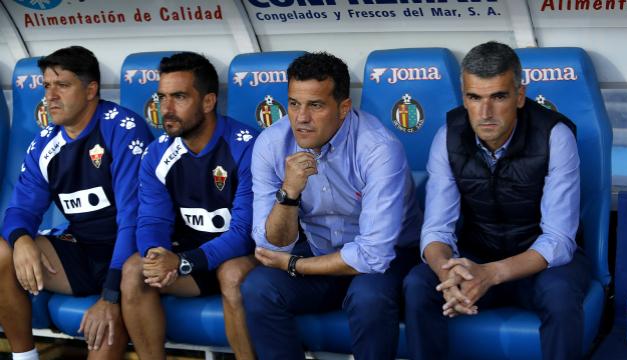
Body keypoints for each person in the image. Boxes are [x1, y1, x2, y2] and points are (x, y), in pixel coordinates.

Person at [403, 41, 592, 360]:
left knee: (560, 295)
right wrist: (446, 272)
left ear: (520, 95)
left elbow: (558, 240)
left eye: (498, 97)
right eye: (474, 98)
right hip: (478, 253)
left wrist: (491, 274)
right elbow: (436, 229)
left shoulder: (555, 135)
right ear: (464, 97)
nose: (485, 112)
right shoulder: (447, 137)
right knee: (419, 284)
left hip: (539, 263)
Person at [242, 51, 422, 360]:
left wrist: (295, 266)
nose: (301, 118)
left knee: (368, 298)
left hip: (388, 260)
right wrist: (289, 194)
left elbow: (374, 255)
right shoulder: (271, 143)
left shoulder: (378, 148)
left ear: (343, 108)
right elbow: (270, 244)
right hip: (317, 250)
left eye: (315, 105)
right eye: (294, 103)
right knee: (258, 287)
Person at [0, 46, 153, 360]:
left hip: (130, 259)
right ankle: (25, 357)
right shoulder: (46, 142)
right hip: (82, 251)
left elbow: (133, 221)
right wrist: (22, 239)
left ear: (91, 90)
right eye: (46, 86)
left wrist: (110, 296)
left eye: (62, 85)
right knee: (2, 251)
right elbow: (20, 210)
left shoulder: (122, 129)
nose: (50, 96)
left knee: (105, 337)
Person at [120, 52, 257, 360]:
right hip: (192, 257)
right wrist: (156, 255)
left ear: (208, 102)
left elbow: (245, 233)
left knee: (232, 275)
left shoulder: (246, 147)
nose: (165, 110)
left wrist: (182, 262)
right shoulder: (158, 153)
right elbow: (152, 220)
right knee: (134, 270)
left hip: (241, 255)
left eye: (179, 97)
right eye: (162, 97)